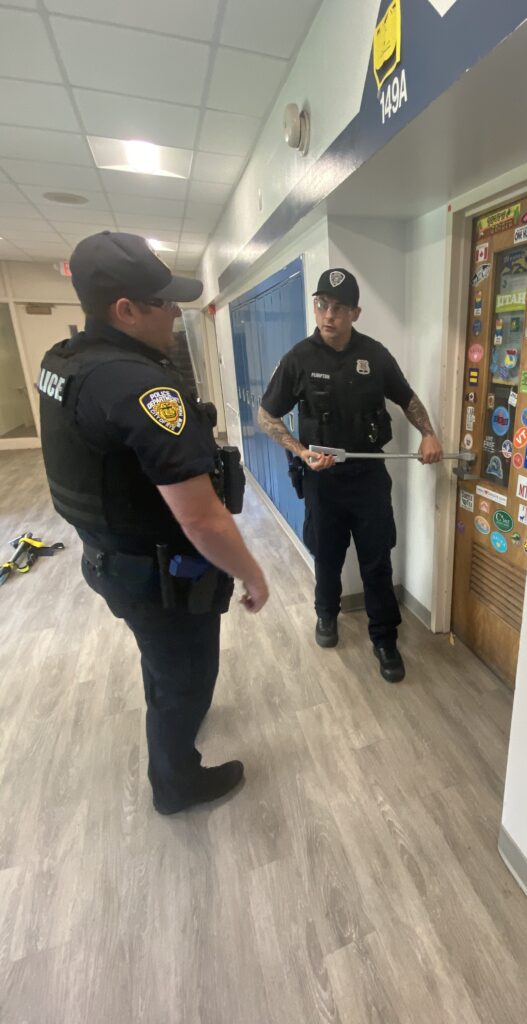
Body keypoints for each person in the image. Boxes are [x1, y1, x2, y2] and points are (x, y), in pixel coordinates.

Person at [37, 231, 269, 815]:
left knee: (162, 660)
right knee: (188, 674)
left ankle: (174, 705)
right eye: (163, 302)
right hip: (159, 574)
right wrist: (252, 574)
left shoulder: (62, 362)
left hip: (109, 559)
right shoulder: (142, 386)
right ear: (126, 311)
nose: (175, 312)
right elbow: (201, 519)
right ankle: (176, 784)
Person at [257, 268, 442, 682]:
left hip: (369, 477)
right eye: (322, 305)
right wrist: (299, 451)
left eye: (339, 308)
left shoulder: (375, 356)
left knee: (377, 560)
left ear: (355, 312)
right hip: (322, 480)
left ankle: (384, 637)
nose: (328, 315)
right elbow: (267, 414)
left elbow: (407, 398)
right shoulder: (299, 358)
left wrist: (429, 434)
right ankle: (326, 614)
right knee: (327, 555)